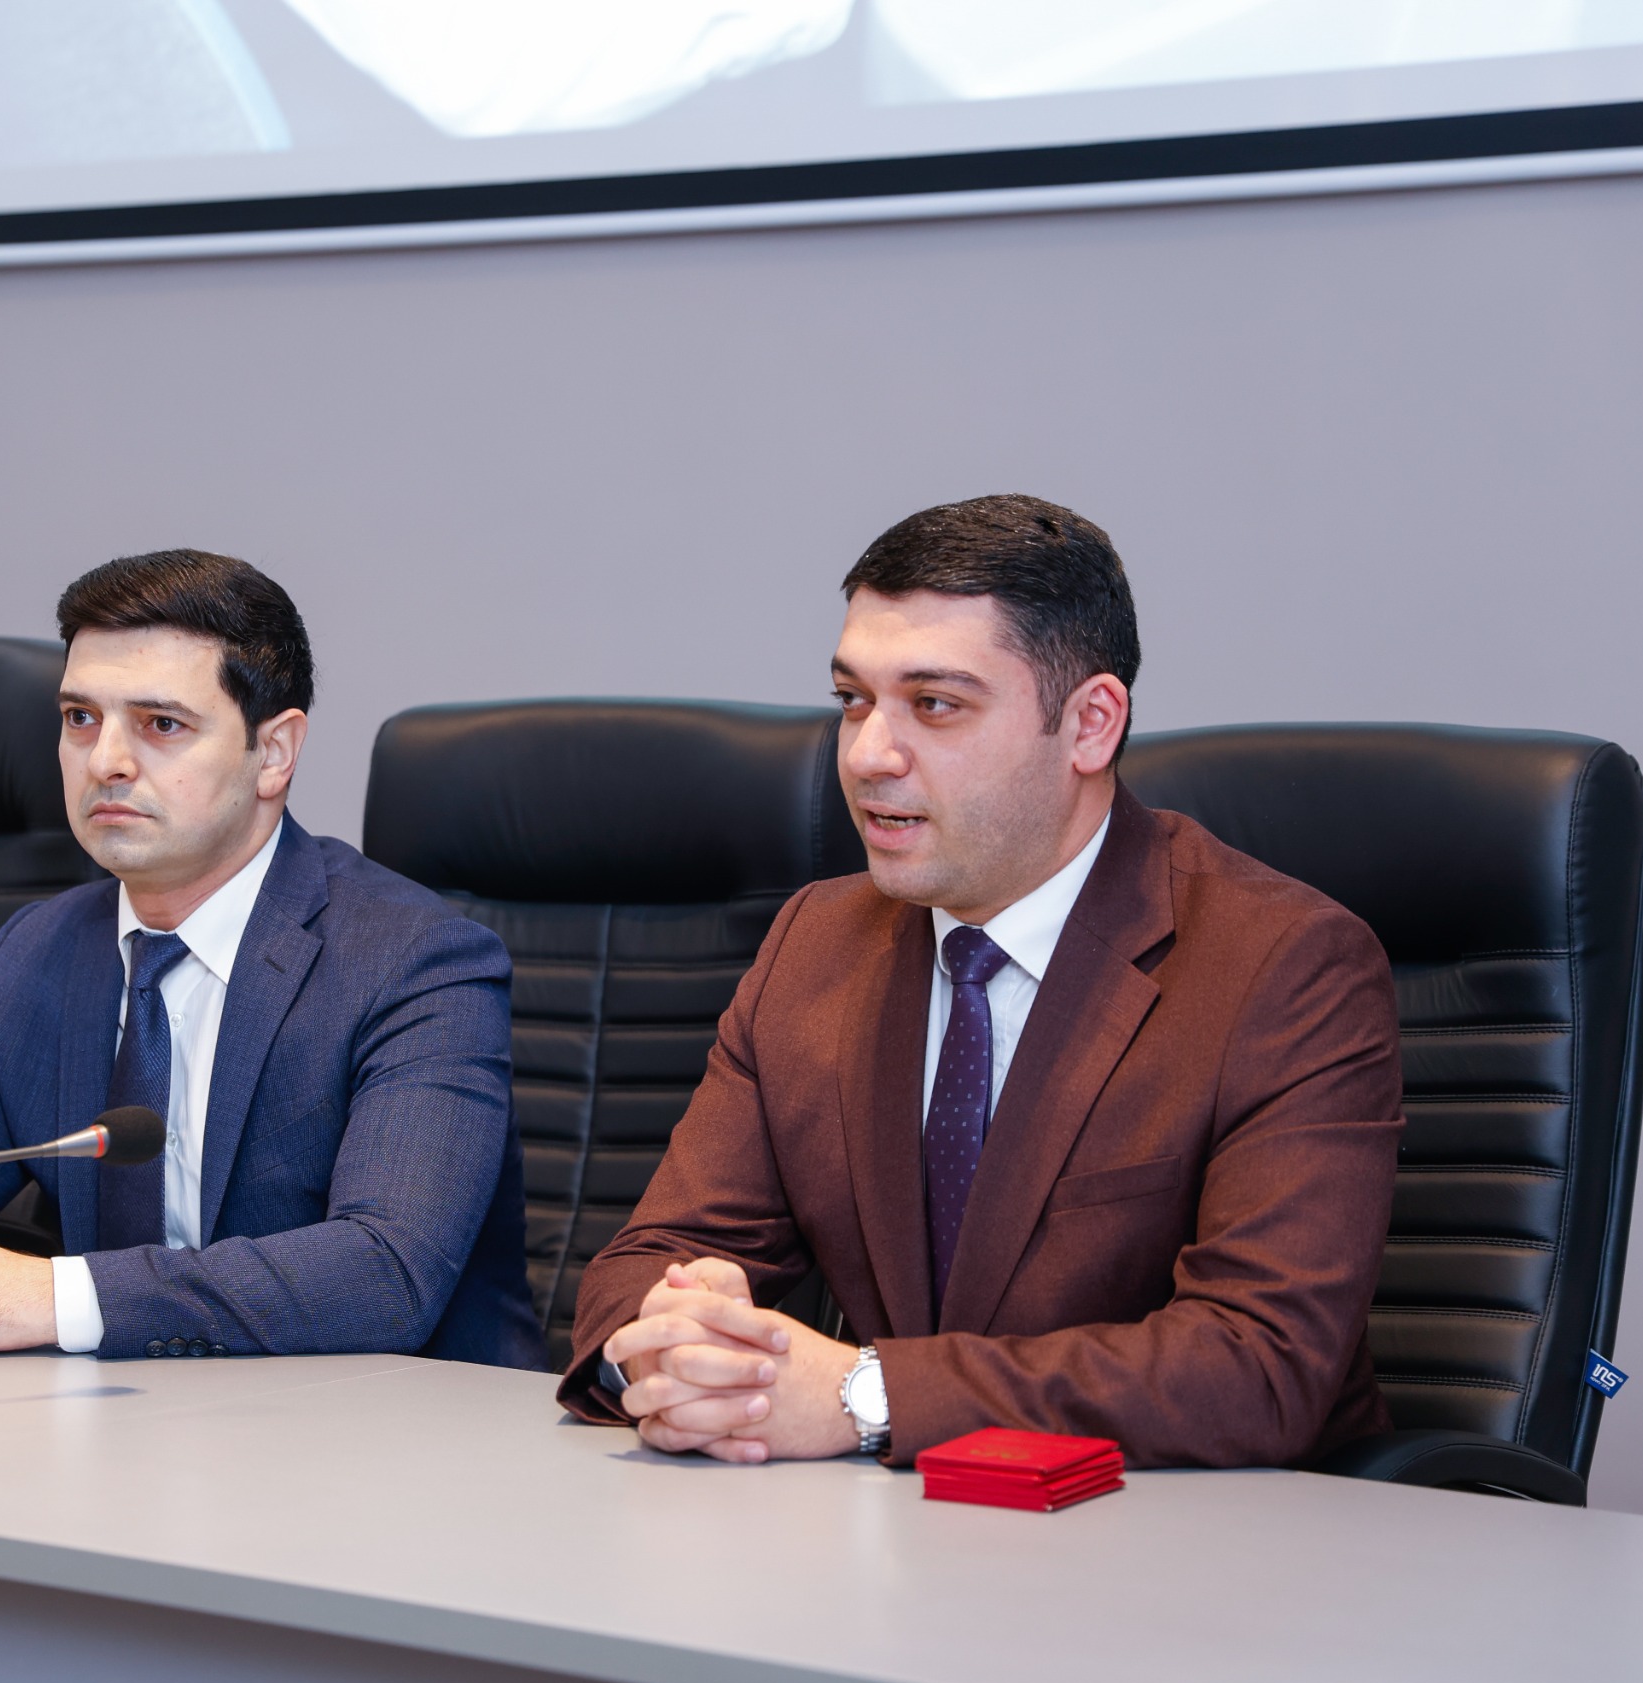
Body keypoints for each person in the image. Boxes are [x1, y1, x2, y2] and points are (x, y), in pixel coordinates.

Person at [558, 495, 1401, 1466]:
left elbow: (1259, 1364)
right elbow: (646, 1261)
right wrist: (679, 1341)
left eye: (934, 705)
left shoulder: (1285, 966)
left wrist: (864, 1394)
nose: (867, 754)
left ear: (1089, 725)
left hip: (1199, 1531)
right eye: (853, 700)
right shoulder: (815, 941)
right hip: (898, 1527)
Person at [0, 549, 541, 1370]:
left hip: (382, 1429)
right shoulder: (42, 949)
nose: (105, 760)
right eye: (81, 718)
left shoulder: (415, 962)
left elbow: (384, 1272)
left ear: (274, 753)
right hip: (114, 1422)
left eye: (161, 725)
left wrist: (50, 1296)